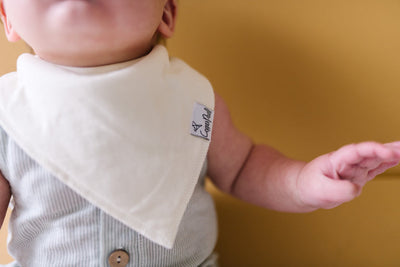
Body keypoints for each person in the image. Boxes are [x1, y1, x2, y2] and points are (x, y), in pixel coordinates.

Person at [1, 0, 400, 266]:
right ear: (8, 18)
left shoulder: (193, 101)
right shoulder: (8, 114)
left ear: (166, 14)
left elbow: (242, 168)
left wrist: (302, 181)